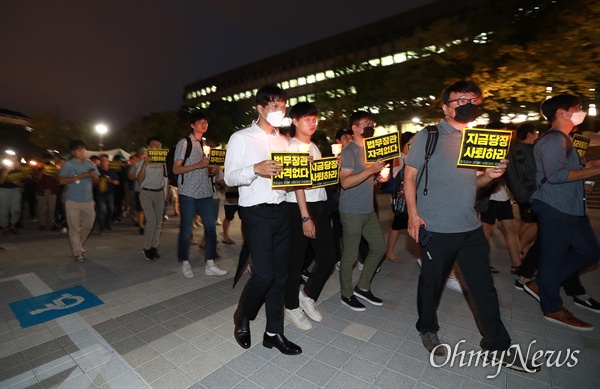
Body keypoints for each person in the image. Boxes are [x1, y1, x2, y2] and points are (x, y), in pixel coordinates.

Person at [404, 80, 537, 373]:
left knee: (483, 288)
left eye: (473, 99)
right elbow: (410, 176)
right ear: (445, 107)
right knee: (432, 282)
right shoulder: (429, 136)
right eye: (460, 99)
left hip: (470, 228)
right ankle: (427, 326)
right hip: (435, 227)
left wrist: (490, 176)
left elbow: (472, 185)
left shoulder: (477, 139)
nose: (468, 104)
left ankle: (497, 346)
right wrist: (414, 216)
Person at [224, 85, 301, 355]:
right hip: (255, 211)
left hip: (281, 209)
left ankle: (273, 333)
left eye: (283, 106)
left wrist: (308, 173)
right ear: (260, 108)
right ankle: (242, 314)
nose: (281, 111)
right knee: (264, 274)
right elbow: (229, 177)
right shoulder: (241, 138)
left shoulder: (283, 141)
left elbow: (291, 179)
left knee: (281, 275)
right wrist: (255, 169)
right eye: (275, 106)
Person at [526, 94, 600, 330]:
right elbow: (556, 176)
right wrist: (591, 172)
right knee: (553, 257)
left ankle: (542, 284)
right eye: (576, 108)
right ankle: (552, 308)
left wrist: (586, 169)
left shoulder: (564, 139)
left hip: (570, 206)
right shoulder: (553, 140)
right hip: (555, 205)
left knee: (589, 251)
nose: (581, 112)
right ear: (561, 112)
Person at [284, 102, 336, 330]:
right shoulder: (292, 147)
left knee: (329, 256)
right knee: (295, 260)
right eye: (307, 119)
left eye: (314, 118)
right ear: (295, 121)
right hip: (299, 208)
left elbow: (316, 181)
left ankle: (307, 295)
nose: (312, 123)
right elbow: (298, 186)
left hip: (318, 206)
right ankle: (290, 306)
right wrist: (305, 217)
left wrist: (332, 166)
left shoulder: (313, 146)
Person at [338, 110, 387, 312]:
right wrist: (371, 171)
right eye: (366, 123)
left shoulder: (369, 149)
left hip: (368, 209)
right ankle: (346, 294)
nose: (370, 126)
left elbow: (367, 178)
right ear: (355, 128)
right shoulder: (350, 151)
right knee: (350, 256)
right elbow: (345, 182)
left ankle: (363, 287)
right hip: (352, 211)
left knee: (379, 248)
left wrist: (378, 178)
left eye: (372, 122)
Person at [174, 111, 227, 278]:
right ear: (192, 125)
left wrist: (212, 170)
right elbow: (176, 169)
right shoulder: (184, 143)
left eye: (206, 122)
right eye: (200, 122)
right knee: (186, 229)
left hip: (205, 192)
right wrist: (199, 165)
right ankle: (184, 262)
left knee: (211, 228)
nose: (204, 125)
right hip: (188, 192)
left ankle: (210, 263)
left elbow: (205, 170)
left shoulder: (206, 144)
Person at [58, 140, 99, 262]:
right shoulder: (68, 165)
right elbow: (61, 181)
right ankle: (77, 252)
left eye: (83, 149)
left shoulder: (90, 164)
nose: (82, 152)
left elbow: (97, 182)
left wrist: (94, 177)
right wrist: (79, 177)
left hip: (88, 201)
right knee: (74, 228)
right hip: (72, 201)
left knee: (88, 225)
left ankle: (78, 245)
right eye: (79, 150)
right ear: (73, 152)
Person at [505, 123, 539, 259]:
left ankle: (520, 252)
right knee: (537, 223)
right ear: (530, 134)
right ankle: (520, 251)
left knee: (527, 222)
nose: (537, 136)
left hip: (520, 193)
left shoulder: (512, 150)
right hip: (533, 193)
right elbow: (534, 172)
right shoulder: (531, 150)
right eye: (536, 133)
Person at [384, 131, 414, 262]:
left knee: (417, 223)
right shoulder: (399, 156)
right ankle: (389, 252)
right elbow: (396, 174)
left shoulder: (415, 154)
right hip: (402, 198)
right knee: (397, 225)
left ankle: (423, 254)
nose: (414, 143)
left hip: (413, 195)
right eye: (411, 140)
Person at [137, 136, 167, 261]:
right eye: (154, 144)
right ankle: (147, 248)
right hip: (146, 193)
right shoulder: (143, 161)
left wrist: (167, 190)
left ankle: (154, 247)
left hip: (159, 192)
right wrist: (144, 164)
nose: (157, 145)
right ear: (149, 147)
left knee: (158, 222)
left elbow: (166, 177)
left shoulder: (163, 161)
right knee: (151, 221)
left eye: (158, 143)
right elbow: (140, 179)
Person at [34, 153, 60, 231]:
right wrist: (42, 170)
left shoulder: (55, 167)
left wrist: (55, 175)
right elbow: (37, 178)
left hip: (52, 190)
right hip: (42, 190)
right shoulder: (39, 168)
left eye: (49, 159)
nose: (47, 161)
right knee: (42, 208)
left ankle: (53, 223)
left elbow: (58, 179)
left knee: (52, 208)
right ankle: (42, 224)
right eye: (46, 159)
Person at [0, 155, 24, 235]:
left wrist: (18, 183)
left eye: (14, 159)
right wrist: (6, 170)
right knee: (3, 210)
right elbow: (1, 182)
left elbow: (23, 184)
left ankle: (12, 226)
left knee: (16, 210)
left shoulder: (19, 170)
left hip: (16, 190)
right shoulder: (2, 169)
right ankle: (4, 228)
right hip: (4, 191)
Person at [96, 154, 120, 233]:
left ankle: (108, 224)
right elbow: (94, 181)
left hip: (110, 193)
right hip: (100, 193)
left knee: (111, 210)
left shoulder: (112, 171)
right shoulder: (97, 170)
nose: (104, 162)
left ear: (108, 162)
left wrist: (111, 181)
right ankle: (102, 227)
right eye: (102, 161)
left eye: (105, 160)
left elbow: (117, 182)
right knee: (101, 210)